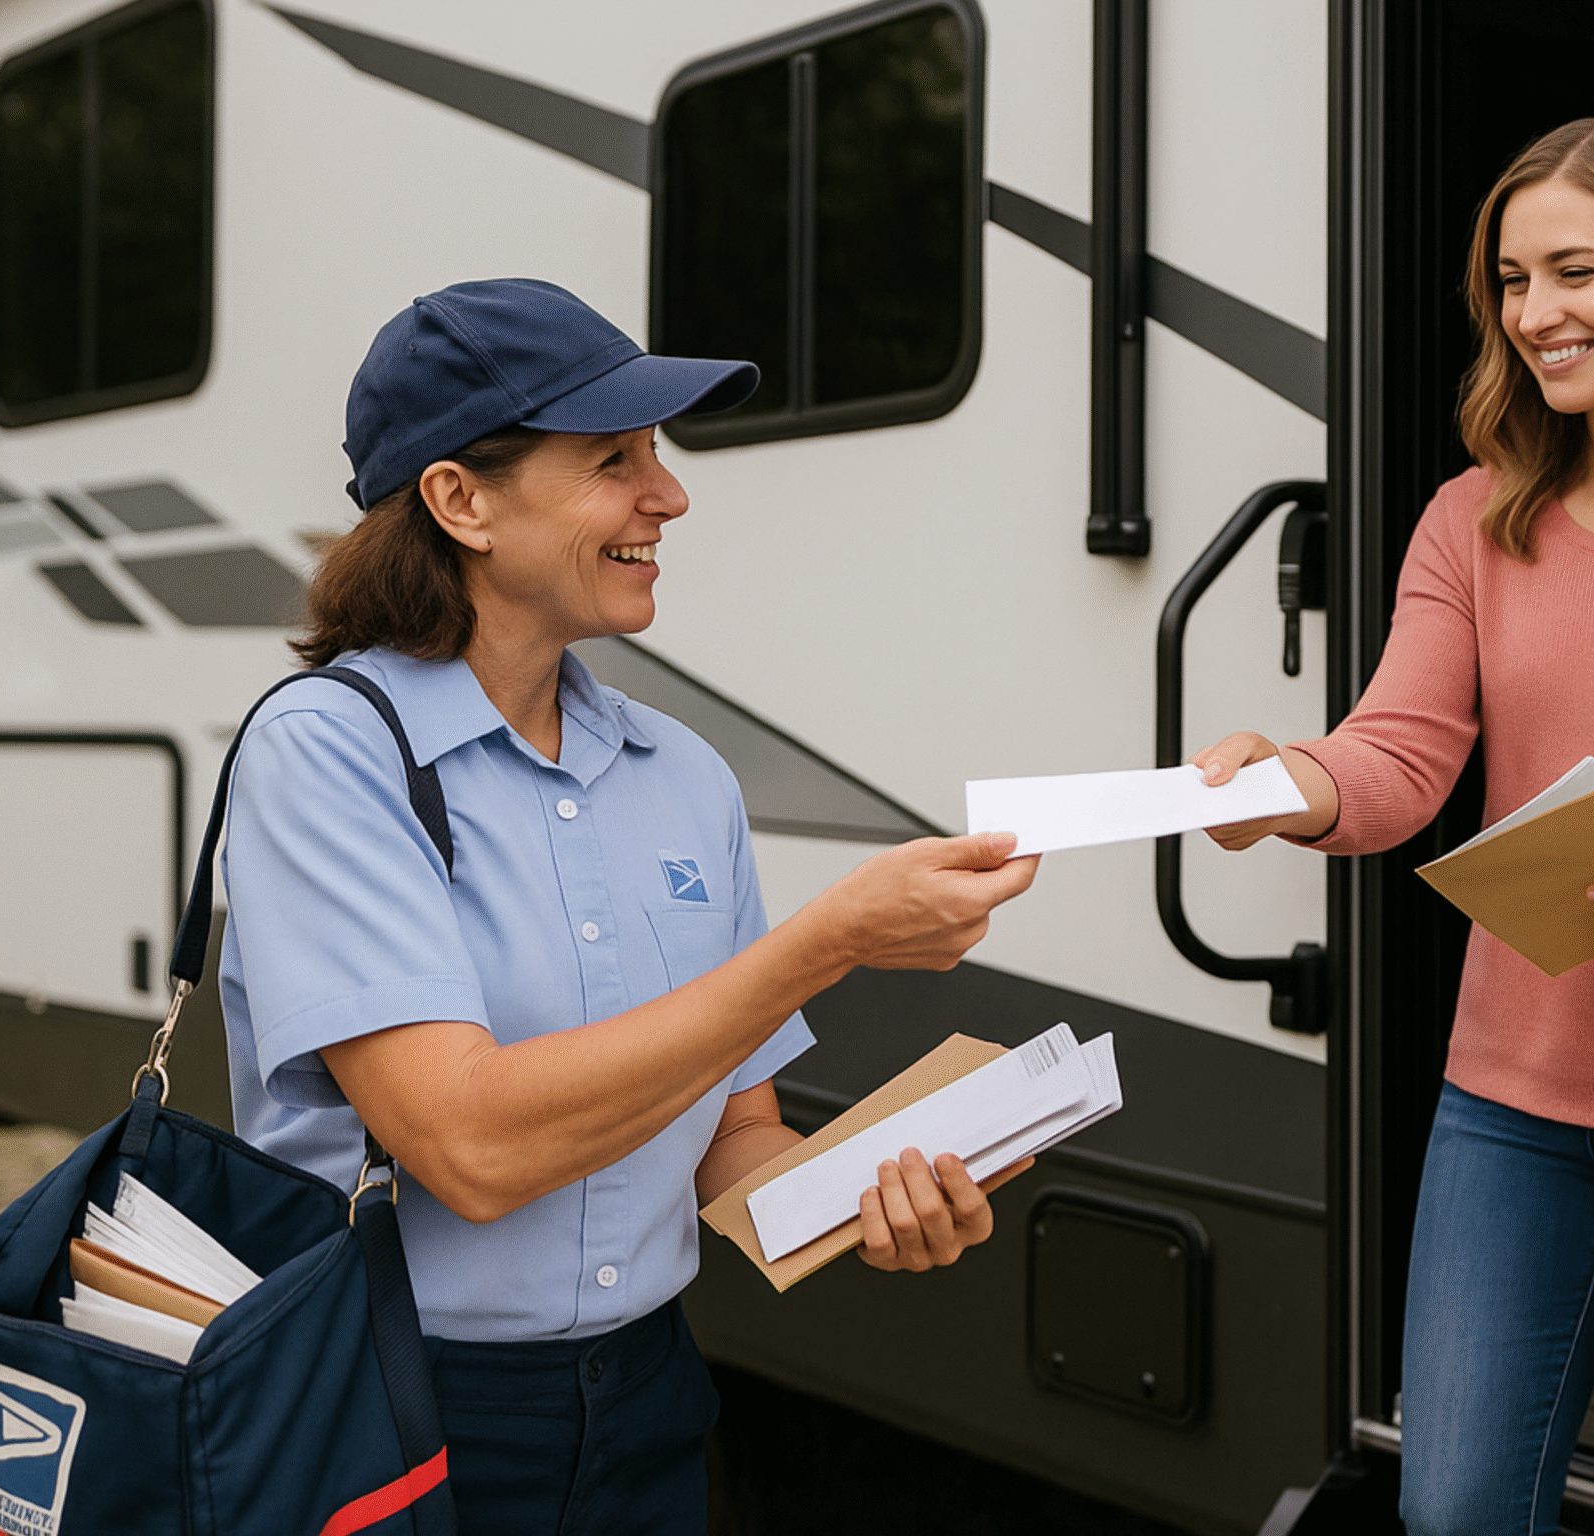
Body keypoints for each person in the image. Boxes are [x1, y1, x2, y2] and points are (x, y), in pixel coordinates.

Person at [218, 277, 1038, 1533]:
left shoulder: (681, 774)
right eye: (613, 461)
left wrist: (868, 1192)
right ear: (460, 500)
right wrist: (823, 945)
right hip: (394, 1404)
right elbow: (470, 1151)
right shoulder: (327, 752)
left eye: (655, 454)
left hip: (646, 1399)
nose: (668, 495)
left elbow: (732, 1139)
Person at [1192, 112, 1594, 1535]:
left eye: (1574, 273)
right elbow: (1399, 755)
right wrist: (1280, 784)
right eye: (1513, 283)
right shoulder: (1475, 518)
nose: (1535, 315)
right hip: (1509, 1109)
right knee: (1456, 1506)